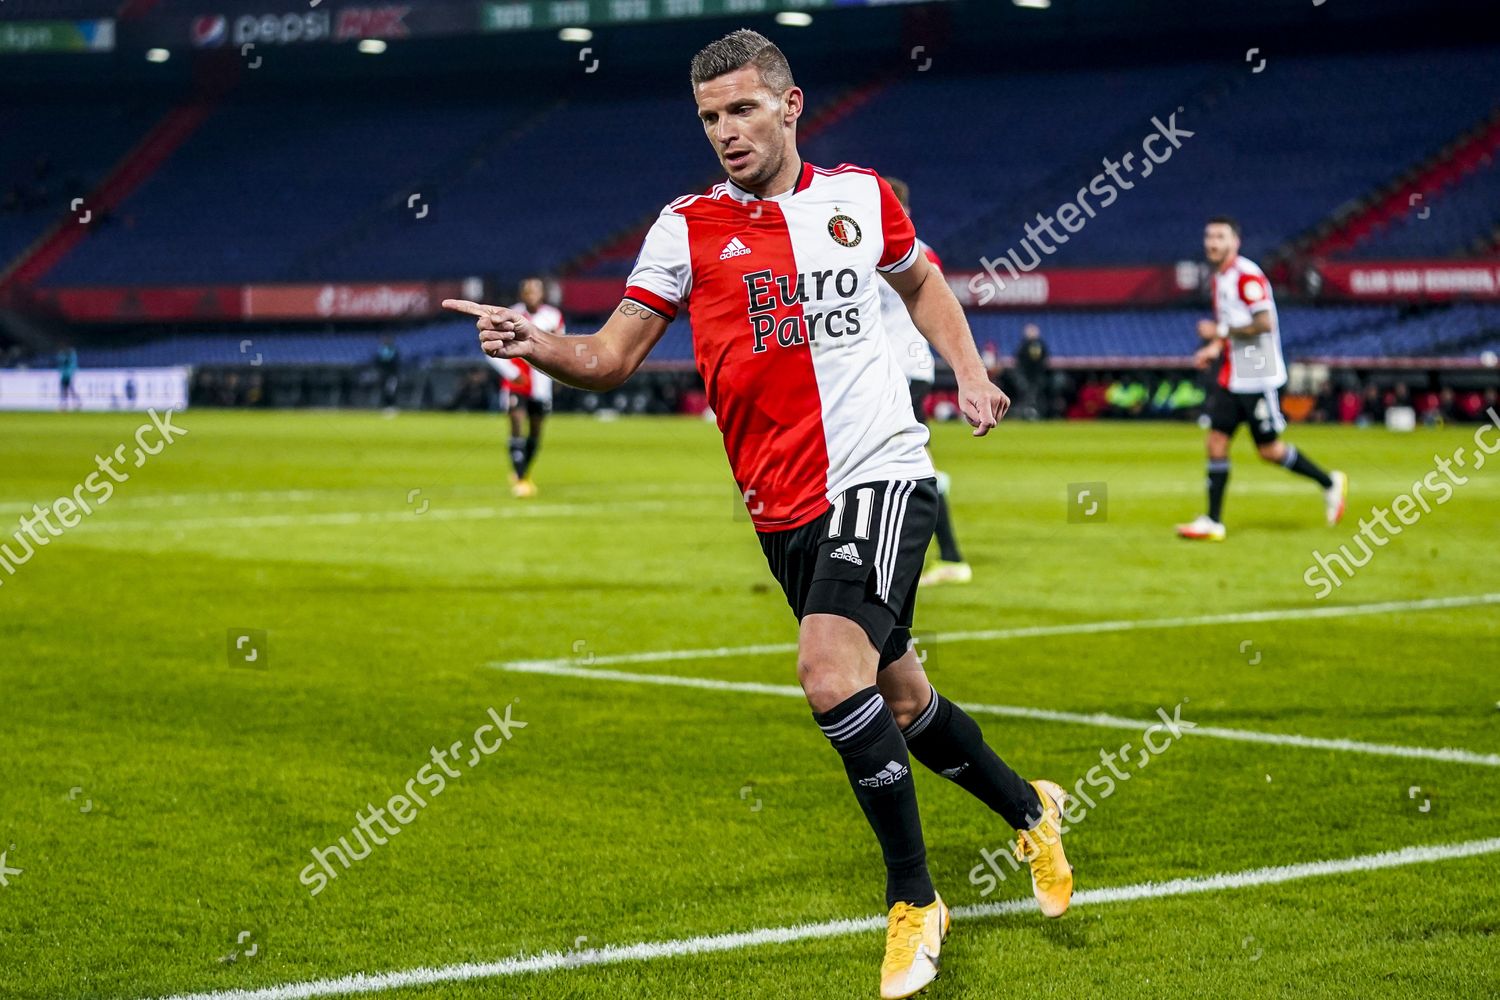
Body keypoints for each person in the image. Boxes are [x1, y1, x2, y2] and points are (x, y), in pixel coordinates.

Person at [443, 30, 1071, 999]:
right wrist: (537, 345)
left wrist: (971, 371)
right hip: (780, 507)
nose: (726, 131)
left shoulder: (861, 198)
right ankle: (1031, 811)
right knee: (903, 700)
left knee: (827, 671)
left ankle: (915, 899)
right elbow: (608, 357)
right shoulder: (684, 228)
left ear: (790, 104)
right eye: (710, 117)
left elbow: (922, 282)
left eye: (742, 108)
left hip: (879, 472)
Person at [1177, 217, 1346, 541]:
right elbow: (1233, 323)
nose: (1212, 242)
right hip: (1233, 375)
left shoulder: (1247, 276)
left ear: (1235, 242)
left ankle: (1329, 483)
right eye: (1209, 236)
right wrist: (1215, 347)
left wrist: (1219, 331)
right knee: (1216, 442)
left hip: (1258, 376)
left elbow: (1264, 323)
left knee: (1269, 451)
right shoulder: (1220, 278)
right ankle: (1213, 521)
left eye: (1220, 236)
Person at [877, 177, 971, 587]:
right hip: (905, 370)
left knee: (908, 463)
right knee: (902, 461)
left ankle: (948, 556)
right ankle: (937, 554)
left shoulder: (891, 251)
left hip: (898, 371)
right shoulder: (919, 251)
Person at [483, 276, 565, 497]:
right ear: (522, 294)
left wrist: (559, 376)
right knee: (516, 424)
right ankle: (520, 479)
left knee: (536, 431)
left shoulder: (553, 316)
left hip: (541, 384)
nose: (531, 295)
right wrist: (513, 373)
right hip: (516, 383)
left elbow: (561, 348)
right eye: (528, 291)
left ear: (542, 294)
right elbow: (491, 349)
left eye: (535, 290)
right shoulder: (511, 315)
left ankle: (523, 471)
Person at [1014, 323, 1050, 419]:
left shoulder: (1041, 345)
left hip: (1037, 375)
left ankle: (1038, 413)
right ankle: (1024, 413)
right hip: (1026, 375)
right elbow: (1019, 360)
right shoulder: (1023, 345)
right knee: (1025, 395)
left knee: (1037, 395)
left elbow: (1045, 358)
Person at [375, 337, 400, 414]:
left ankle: (392, 406)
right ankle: (385, 406)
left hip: (392, 375)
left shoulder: (394, 351)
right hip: (383, 374)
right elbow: (377, 361)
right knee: (384, 390)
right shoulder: (381, 350)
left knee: (391, 390)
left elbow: (396, 363)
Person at [56, 344, 79, 411]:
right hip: (64, 375)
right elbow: (60, 363)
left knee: (68, 390)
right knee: (65, 390)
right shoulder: (65, 357)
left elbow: (72, 364)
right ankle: (65, 404)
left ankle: (72, 403)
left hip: (68, 375)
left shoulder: (70, 357)